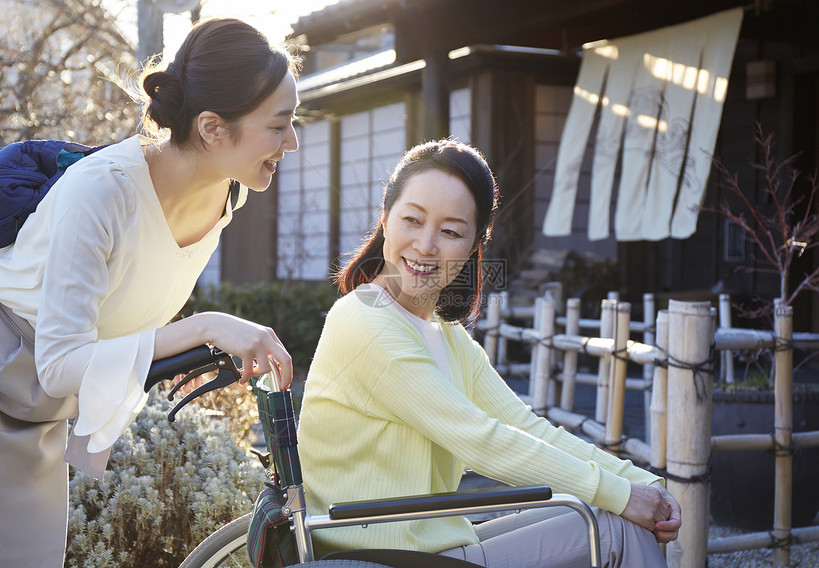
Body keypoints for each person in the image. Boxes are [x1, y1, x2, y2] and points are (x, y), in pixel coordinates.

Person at [297, 140, 681, 567]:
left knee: (609, 515)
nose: (426, 245)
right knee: (612, 527)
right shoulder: (364, 320)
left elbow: (528, 428)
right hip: (379, 556)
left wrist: (641, 482)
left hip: (432, 545)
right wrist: (624, 496)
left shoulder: (446, 337)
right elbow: (481, 440)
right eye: (412, 220)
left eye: (450, 231)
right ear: (385, 221)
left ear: (474, 246)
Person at [0, 18, 296, 567]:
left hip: (39, 408)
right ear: (212, 128)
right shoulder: (102, 192)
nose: (292, 142)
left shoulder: (227, 198)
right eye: (279, 126)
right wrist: (208, 326)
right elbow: (59, 363)